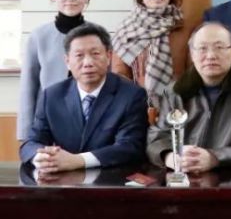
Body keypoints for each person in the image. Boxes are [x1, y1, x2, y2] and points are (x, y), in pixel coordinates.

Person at [147, 22, 231, 172]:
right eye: (202, 48)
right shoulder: (175, 92)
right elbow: (158, 137)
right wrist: (170, 157)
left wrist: (215, 158)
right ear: (192, 54)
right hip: (184, 176)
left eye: (219, 47)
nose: (211, 55)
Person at [20, 23, 148, 173]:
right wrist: (42, 158)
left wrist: (78, 160)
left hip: (112, 179)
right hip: (63, 180)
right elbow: (31, 143)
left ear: (108, 57)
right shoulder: (52, 96)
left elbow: (129, 147)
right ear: (67, 61)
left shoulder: (131, 95)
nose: (88, 63)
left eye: (95, 54)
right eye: (79, 55)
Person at [18, 0, 92, 141]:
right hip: (47, 124)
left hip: (89, 123)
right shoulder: (39, 36)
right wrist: (25, 135)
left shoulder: (97, 35)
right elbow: (28, 86)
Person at [111, 0, 188, 95]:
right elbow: (119, 76)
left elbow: (194, 73)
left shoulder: (184, 29)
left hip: (178, 103)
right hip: (136, 102)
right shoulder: (125, 31)